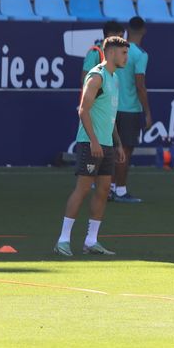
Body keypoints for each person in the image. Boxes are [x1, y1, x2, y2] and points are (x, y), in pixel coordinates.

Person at [54, 37, 129, 257]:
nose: (126, 58)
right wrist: (94, 141)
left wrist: (118, 144)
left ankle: (91, 241)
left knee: (104, 190)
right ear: (112, 52)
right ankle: (63, 240)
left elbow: (110, 116)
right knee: (83, 188)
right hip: (90, 143)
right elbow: (83, 110)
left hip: (105, 144)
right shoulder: (97, 76)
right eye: (123, 53)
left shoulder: (114, 79)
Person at [110, 16, 151, 204]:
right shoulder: (140, 54)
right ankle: (120, 190)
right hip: (130, 110)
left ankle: (110, 188)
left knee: (112, 150)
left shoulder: (118, 50)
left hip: (112, 106)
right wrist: (147, 112)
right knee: (124, 151)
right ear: (143, 30)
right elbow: (140, 85)